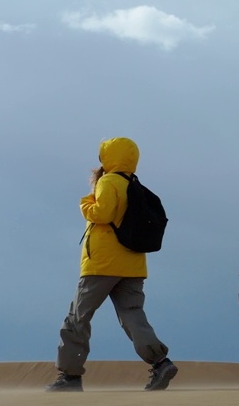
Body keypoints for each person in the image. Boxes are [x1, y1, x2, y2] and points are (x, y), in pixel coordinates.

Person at [46, 137, 178, 392]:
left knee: (77, 318)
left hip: (102, 265)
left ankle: (70, 377)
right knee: (133, 317)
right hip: (133, 265)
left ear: (108, 158)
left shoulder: (108, 182)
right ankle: (161, 362)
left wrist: (86, 203)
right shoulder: (136, 186)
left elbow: (102, 214)